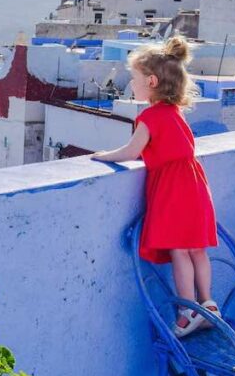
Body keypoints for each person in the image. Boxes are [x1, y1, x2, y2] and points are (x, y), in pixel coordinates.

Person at [93, 35, 219, 337]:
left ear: (151, 81)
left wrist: (103, 156)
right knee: (197, 250)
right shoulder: (176, 114)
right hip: (194, 185)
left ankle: (187, 311)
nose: (131, 84)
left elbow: (131, 152)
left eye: (134, 78)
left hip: (173, 190)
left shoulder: (149, 116)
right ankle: (208, 304)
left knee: (178, 251)